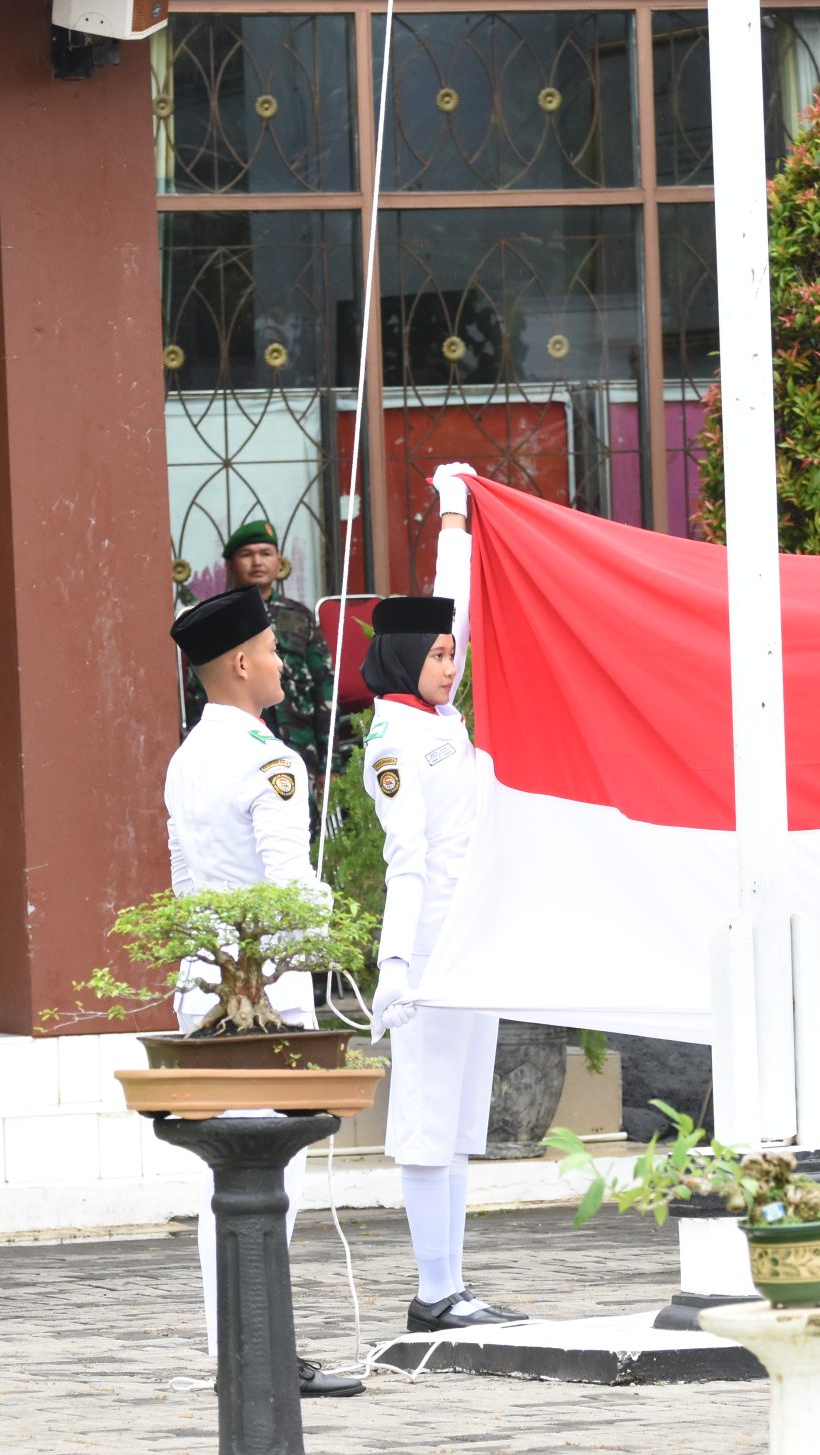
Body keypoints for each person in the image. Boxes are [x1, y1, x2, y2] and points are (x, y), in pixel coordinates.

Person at [165, 583, 364, 1400]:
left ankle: (236, 1355)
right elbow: (289, 892)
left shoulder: (185, 758)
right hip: (268, 996)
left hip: (202, 987)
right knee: (273, 1186)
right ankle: (263, 1358)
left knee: (221, 1183)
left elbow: (183, 889)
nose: (284, 663)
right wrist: (334, 927)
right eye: (275, 650)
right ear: (242, 663)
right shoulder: (269, 760)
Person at [363, 463, 526, 1336]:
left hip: (473, 942)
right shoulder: (394, 742)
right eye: (436, 656)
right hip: (427, 954)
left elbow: (450, 606)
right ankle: (432, 1291)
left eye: (453, 654)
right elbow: (407, 861)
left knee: (460, 1124)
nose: (451, 665)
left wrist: (455, 513)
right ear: (402, 659)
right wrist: (394, 964)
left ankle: (453, 1287)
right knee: (426, 1123)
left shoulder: (439, 719)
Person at [222, 520, 337, 779]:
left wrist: (330, 764)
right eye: (246, 555)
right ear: (230, 564)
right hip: (240, 750)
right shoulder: (220, 619)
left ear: (279, 561)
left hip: (300, 746)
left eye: (265, 553)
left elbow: (325, 686)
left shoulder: (300, 616)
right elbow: (201, 693)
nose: (257, 562)